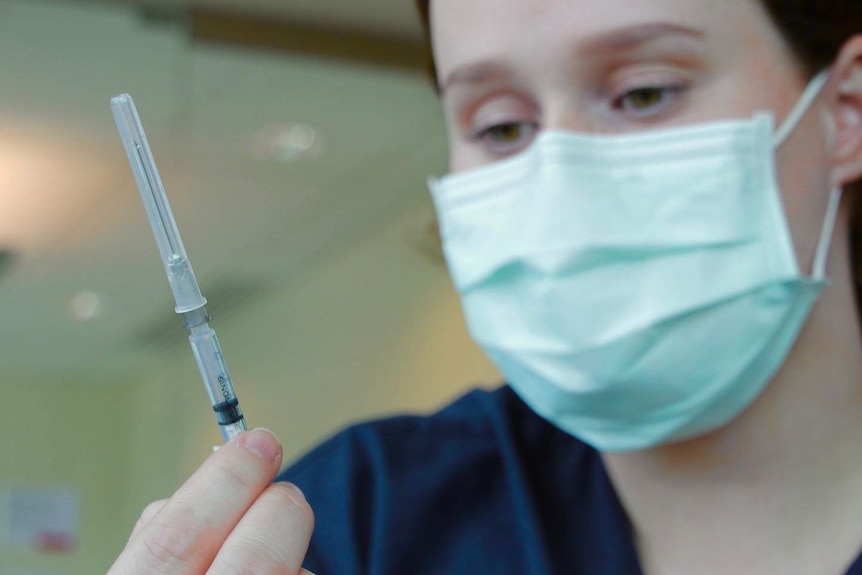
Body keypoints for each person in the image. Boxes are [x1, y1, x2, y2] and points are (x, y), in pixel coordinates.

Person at [107, 0, 862, 573]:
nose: (558, 183)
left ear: (847, 112)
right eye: (501, 126)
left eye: (644, 92)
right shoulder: (359, 517)